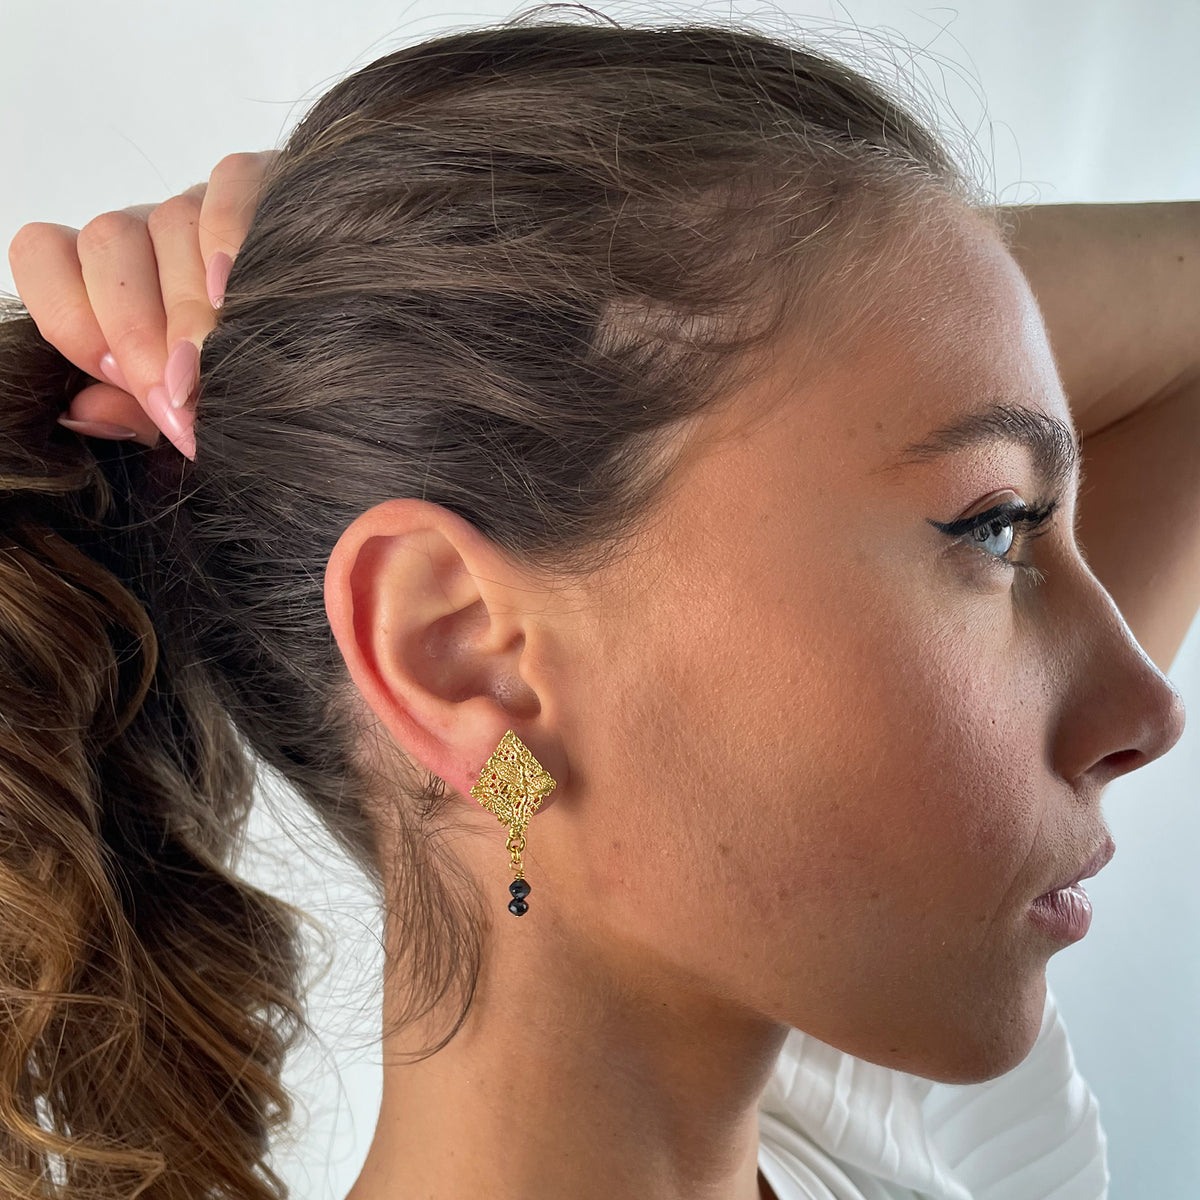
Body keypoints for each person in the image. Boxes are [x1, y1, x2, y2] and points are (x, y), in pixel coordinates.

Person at [3, 13, 1194, 1200]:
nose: (1150, 705)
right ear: (464, 652)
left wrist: (324, 320)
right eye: (993, 527)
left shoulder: (908, 1116)